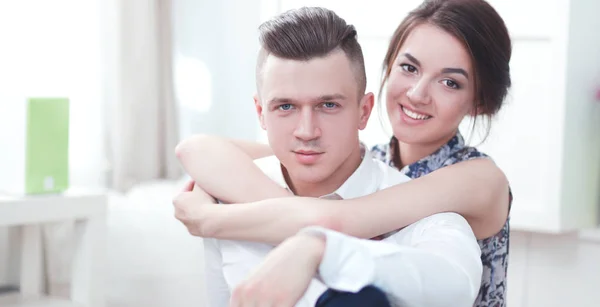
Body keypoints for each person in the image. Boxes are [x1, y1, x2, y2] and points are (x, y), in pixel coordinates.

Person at [174, 0, 513, 306]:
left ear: (478, 101)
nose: (417, 94)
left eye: (450, 82)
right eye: (409, 68)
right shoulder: (368, 154)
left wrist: (210, 220)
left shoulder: (478, 179)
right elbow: (209, 148)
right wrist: (216, 188)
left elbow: (335, 220)